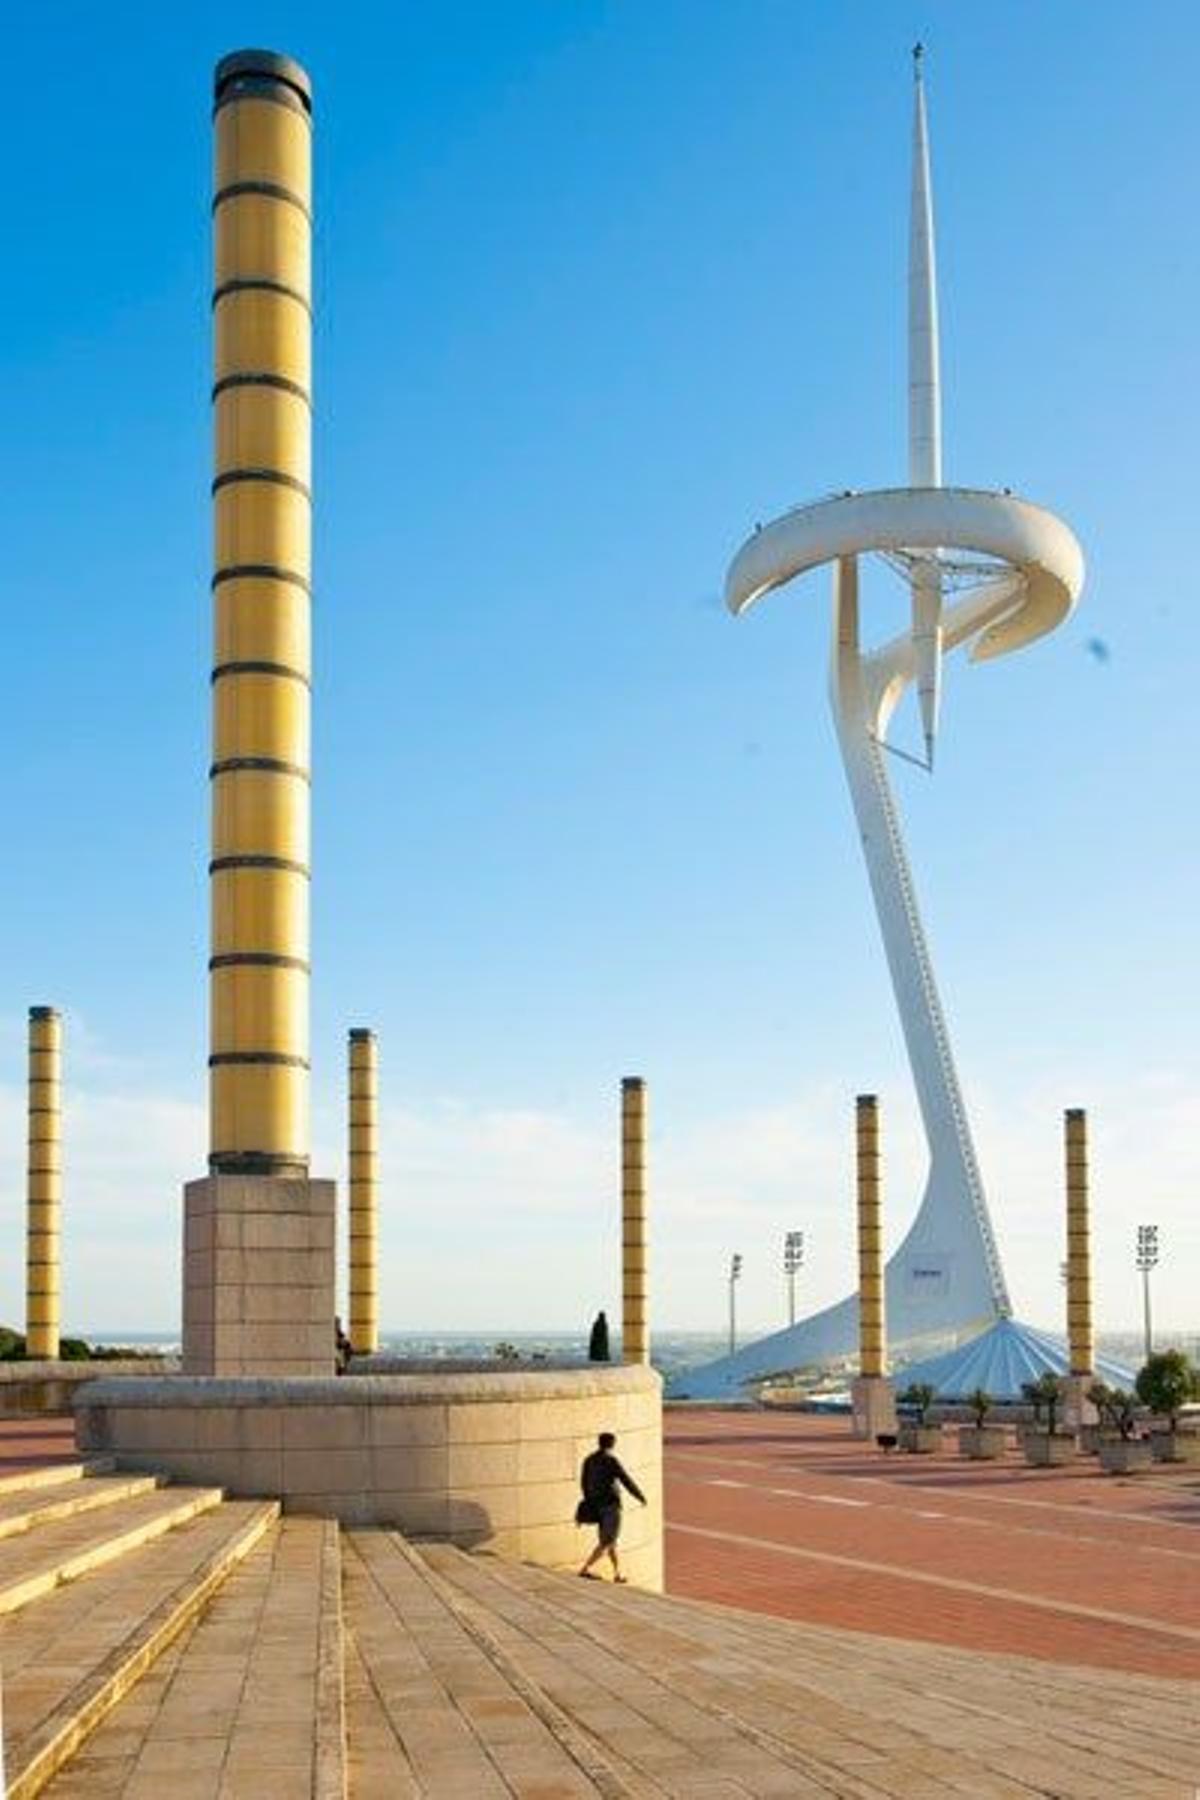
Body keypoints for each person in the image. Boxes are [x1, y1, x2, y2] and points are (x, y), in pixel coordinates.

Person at [576, 1430, 646, 1582]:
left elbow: (583, 1483)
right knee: (607, 1542)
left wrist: (589, 1500)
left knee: (611, 1541)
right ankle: (585, 1569)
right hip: (610, 1506)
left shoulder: (589, 1460)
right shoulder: (611, 1460)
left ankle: (617, 1574)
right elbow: (626, 1480)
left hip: (597, 1506)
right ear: (612, 1444)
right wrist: (640, 1496)